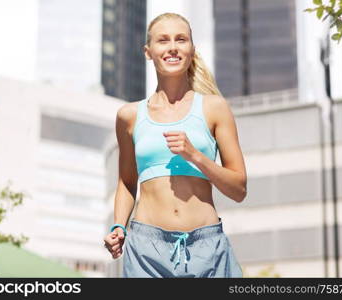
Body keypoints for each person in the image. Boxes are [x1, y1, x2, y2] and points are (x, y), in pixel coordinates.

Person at [103, 12, 247, 278]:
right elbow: (126, 182)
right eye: (163, 40)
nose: (172, 47)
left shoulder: (215, 108)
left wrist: (196, 156)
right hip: (146, 251)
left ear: (192, 49)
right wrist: (119, 227)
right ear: (148, 52)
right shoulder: (129, 116)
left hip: (208, 249)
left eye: (181, 40)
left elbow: (239, 188)